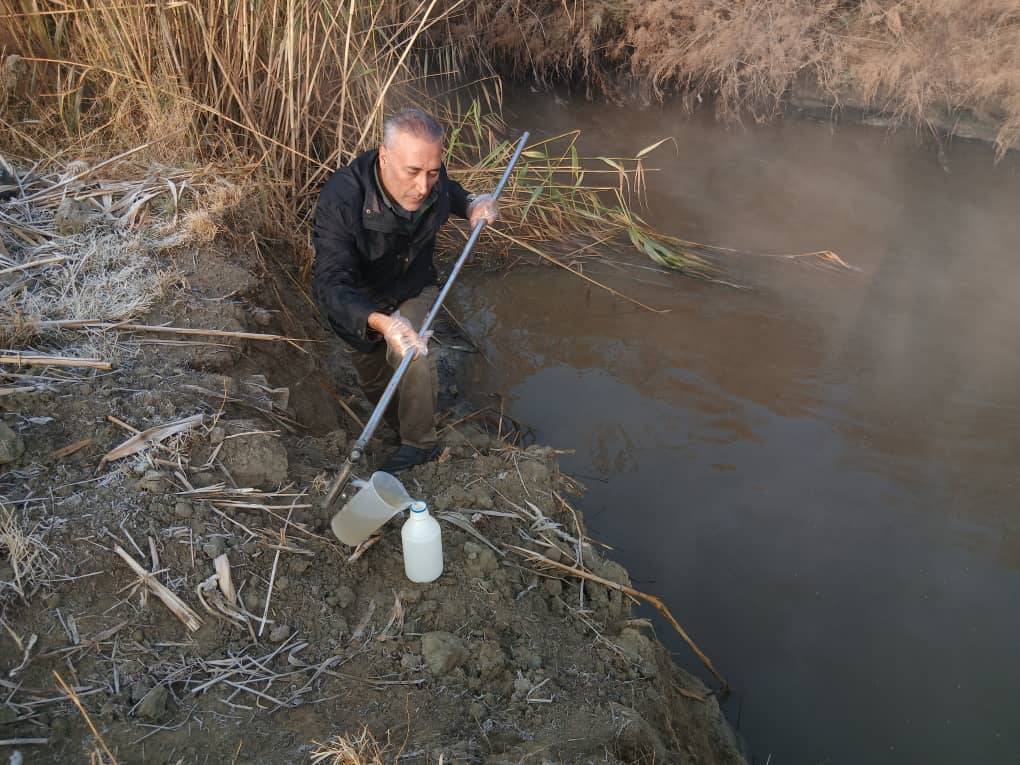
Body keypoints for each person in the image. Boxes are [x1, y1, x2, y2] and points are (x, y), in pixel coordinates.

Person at [312, 107, 498, 472]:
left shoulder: (431, 175)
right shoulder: (342, 199)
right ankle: (398, 428)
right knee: (377, 380)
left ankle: (419, 445)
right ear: (385, 156)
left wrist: (473, 203)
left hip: (415, 285)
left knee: (411, 354)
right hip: (361, 305)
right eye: (413, 172)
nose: (423, 185)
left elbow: (450, 189)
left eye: (431, 172)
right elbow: (330, 283)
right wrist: (380, 322)